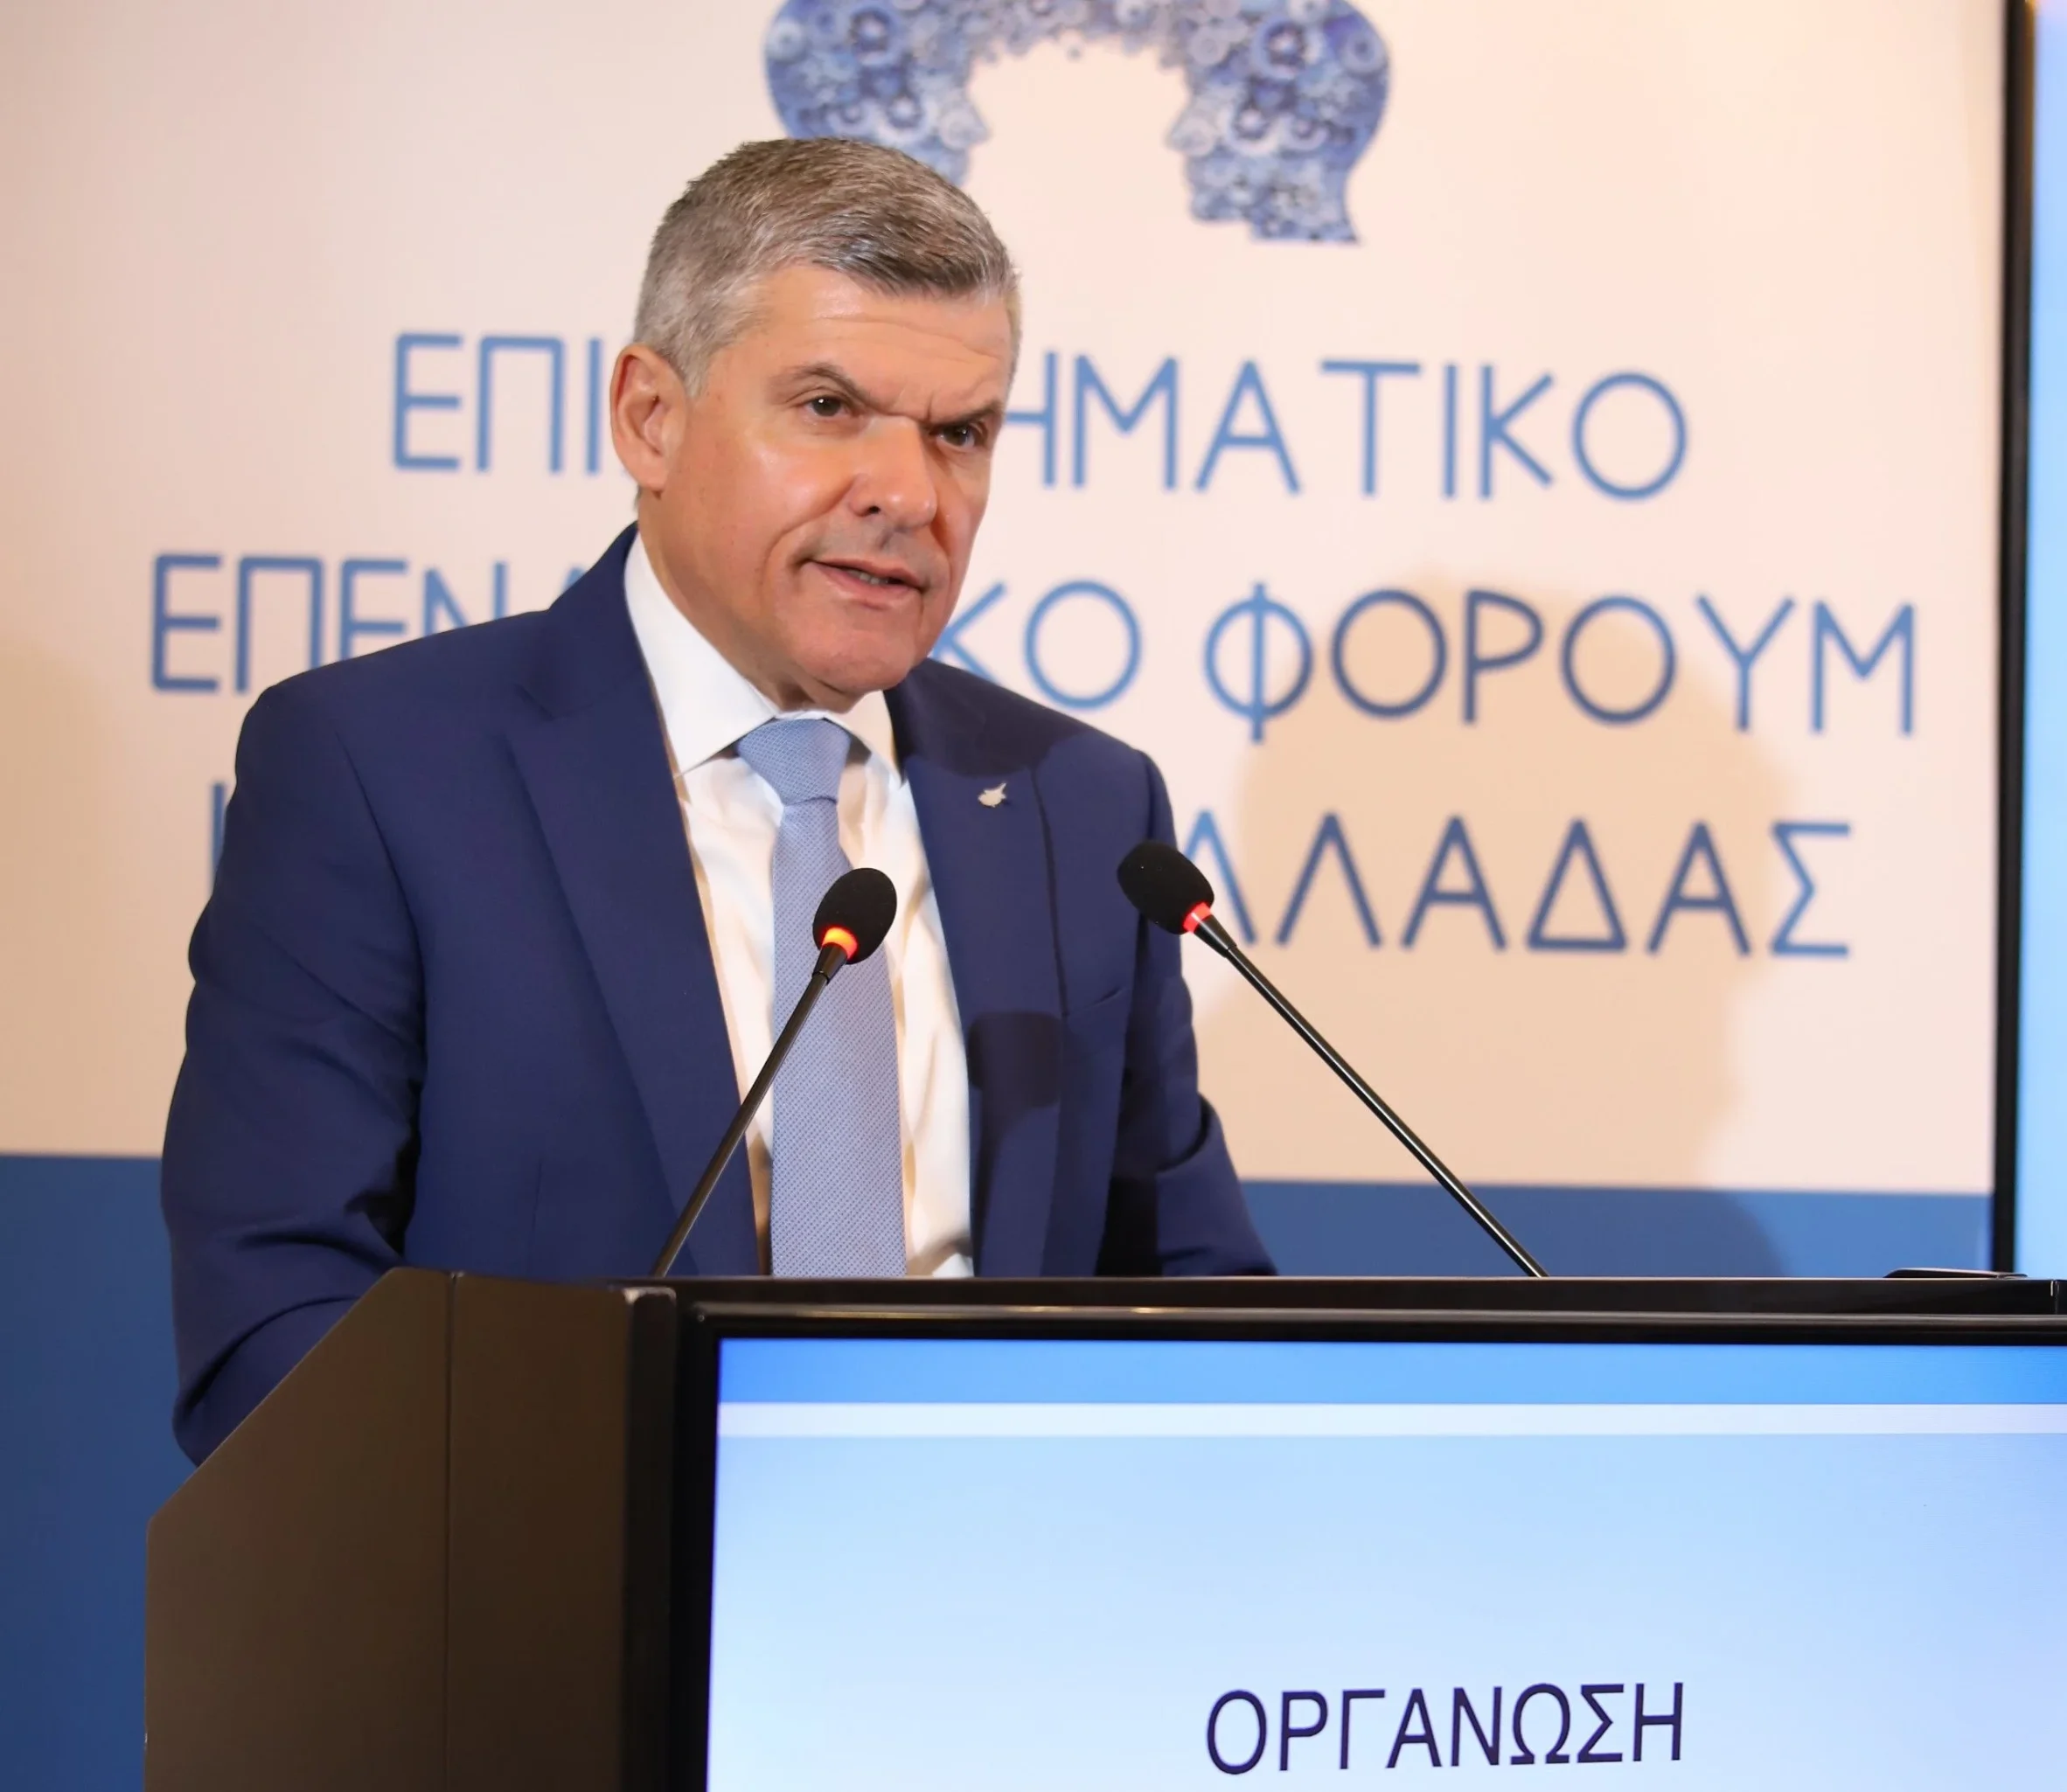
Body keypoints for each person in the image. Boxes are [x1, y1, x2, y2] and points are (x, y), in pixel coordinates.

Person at [162, 138, 1271, 1466]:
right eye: (829, 407)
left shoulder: (1079, 806)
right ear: (652, 417)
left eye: (959, 433)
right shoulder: (381, 770)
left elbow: (1195, 1299)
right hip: (567, 1580)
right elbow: (275, 1324)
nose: (909, 493)